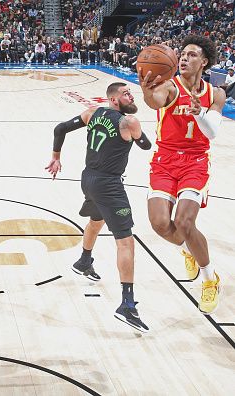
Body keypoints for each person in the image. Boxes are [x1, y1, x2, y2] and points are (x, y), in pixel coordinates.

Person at [45, 82, 152, 332]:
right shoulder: (129, 122)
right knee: (125, 241)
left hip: (89, 179)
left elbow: (60, 128)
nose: (131, 96)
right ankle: (126, 305)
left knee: (96, 221)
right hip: (109, 185)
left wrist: (56, 157)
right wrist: (137, 134)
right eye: (126, 94)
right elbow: (145, 145)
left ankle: (84, 261)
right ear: (114, 100)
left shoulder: (93, 112)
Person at [139, 35, 226, 314]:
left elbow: (212, 131)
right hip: (165, 161)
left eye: (192, 55)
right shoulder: (169, 85)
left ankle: (210, 278)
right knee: (161, 225)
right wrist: (146, 91)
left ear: (205, 62)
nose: (185, 58)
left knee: (184, 224)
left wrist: (200, 113)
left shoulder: (216, 94)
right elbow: (156, 102)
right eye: (183, 54)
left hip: (195, 162)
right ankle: (188, 250)